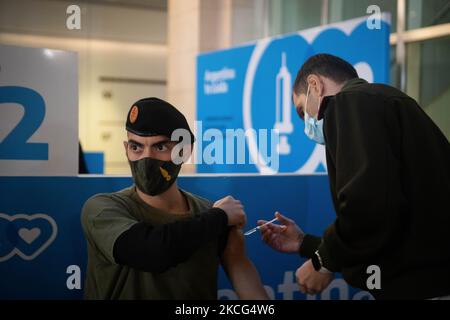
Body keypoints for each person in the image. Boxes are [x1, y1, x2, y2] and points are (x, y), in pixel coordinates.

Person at [259, 53, 450, 300]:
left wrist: (323, 261)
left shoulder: (350, 102)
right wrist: (305, 243)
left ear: (315, 85)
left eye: (301, 110)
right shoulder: (386, 101)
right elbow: (389, 223)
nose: (306, 122)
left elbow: (369, 205)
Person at [81, 97, 268, 300]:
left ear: (184, 152)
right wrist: (219, 217)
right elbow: (152, 252)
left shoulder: (210, 213)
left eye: (160, 147)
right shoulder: (102, 209)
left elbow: (249, 287)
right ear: (126, 149)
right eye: (136, 147)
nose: (146, 158)